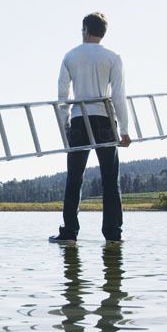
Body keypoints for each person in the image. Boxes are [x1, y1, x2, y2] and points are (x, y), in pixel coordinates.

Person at [50, 12, 131, 244]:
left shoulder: (71, 56)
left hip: (78, 120)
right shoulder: (113, 57)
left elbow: (62, 96)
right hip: (104, 119)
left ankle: (69, 233)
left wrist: (63, 126)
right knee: (110, 179)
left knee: (74, 178)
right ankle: (113, 235)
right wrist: (124, 129)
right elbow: (118, 96)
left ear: (85, 29)